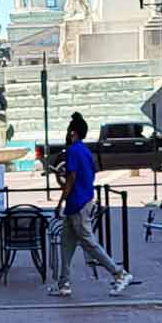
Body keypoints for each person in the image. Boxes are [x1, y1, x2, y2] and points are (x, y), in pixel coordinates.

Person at [48, 113, 135, 298]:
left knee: (88, 242)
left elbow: (71, 180)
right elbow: (83, 176)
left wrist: (59, 202)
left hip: (76, 203)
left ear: (73, 133)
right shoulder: (86, 152)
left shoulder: (72, 151)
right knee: (66, 244)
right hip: (83, 200)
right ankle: (64, 284)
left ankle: (120, 274)